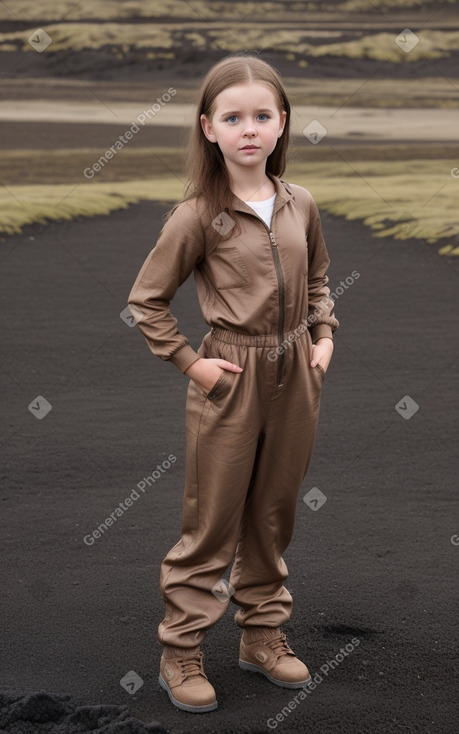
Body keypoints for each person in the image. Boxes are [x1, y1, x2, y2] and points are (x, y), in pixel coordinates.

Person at [127, 53, 339, 714]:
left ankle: (261, 637)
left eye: (261, 115)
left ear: (281, 125)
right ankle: (180, 648)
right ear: (208, 127)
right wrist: (193, 364)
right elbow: (146, 301)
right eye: (232, 117)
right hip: (230, 374)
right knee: (211, 519)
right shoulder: (196, 214)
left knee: (273, 513)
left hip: (296, 373)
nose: (248, 128)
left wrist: (324, 334)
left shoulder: (299, 203)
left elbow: (319, 279)